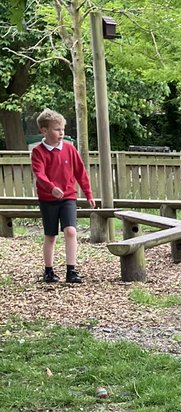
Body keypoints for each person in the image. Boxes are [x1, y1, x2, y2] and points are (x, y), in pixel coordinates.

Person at [31, 108, 95, 284]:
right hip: (47, 199)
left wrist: (88, 193)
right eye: (57, 129)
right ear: (44, 131)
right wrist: (51, 188)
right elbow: (39, 174)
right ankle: (48, 271)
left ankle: (71, 271)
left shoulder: (69, 148)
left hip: (68, 197)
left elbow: (80, 172)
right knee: (50, 236)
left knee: (71, 231)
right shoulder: (38, 152)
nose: (61, 133)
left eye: (63, 129)